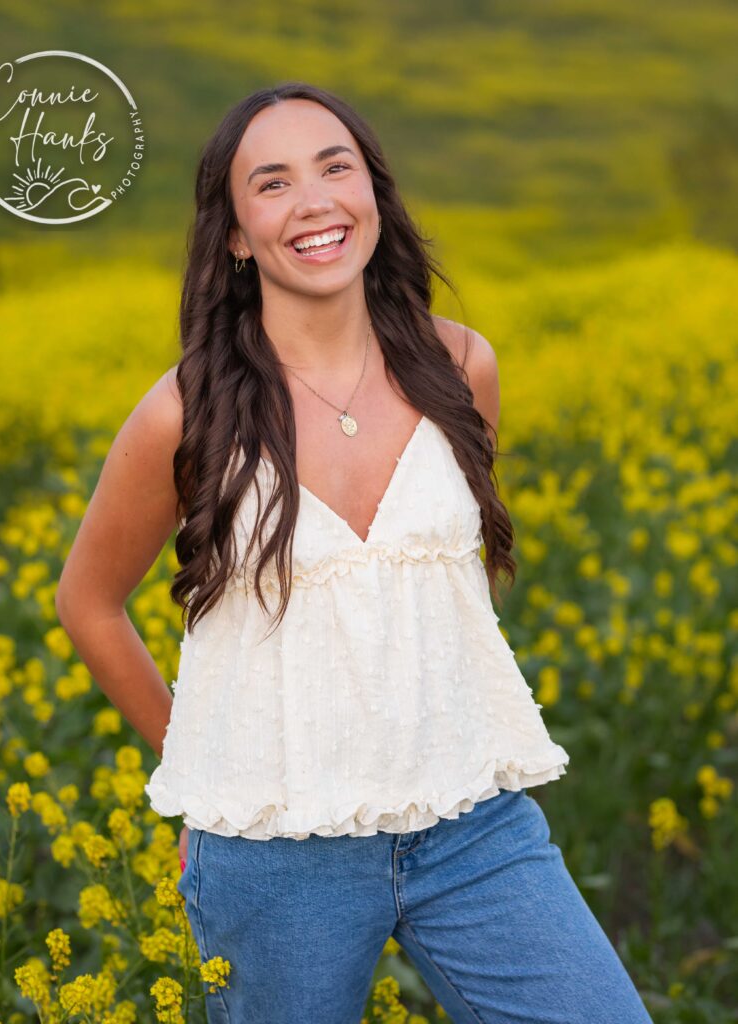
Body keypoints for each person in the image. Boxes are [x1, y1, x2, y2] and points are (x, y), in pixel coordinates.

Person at [56, 82, 654, 1024]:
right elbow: (87, 600)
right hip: (278, 854)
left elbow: (442, 586)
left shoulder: (461, 368)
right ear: (236, 236)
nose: (316, 201)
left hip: (473, 824)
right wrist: (201, 773)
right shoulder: (183, 413)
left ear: (373, 191)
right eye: (273, 183)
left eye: (336, 167)